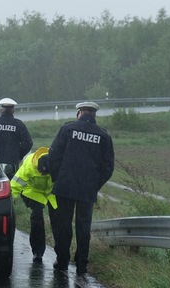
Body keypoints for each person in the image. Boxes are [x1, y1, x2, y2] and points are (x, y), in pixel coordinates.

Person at [38, 101, 114, 275]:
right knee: (83, 226)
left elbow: (53, 156)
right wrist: (95, 184)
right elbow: (108, 167)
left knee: (63, 224)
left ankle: (62, 260)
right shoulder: (103, 136)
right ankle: (81, 264)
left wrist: (58, 178)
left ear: (79, 112)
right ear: (94, 114)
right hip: (87, 188)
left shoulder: (67, 129)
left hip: (65, 185)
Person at [11, 146, 57, 264]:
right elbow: (16, 184)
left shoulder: (57, 163)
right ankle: (38, 252)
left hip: (51, 193)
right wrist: (9, 200)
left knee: (59, 221)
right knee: (37, 218)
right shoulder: (29, 166)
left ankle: (61, 254)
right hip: (32, 192)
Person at [0, 97, 33, 178]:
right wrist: (18, 155)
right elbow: (28, 143)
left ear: (1, 109)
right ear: (13, 110)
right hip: (11, 164)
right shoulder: (19, 125)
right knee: (11, 186)